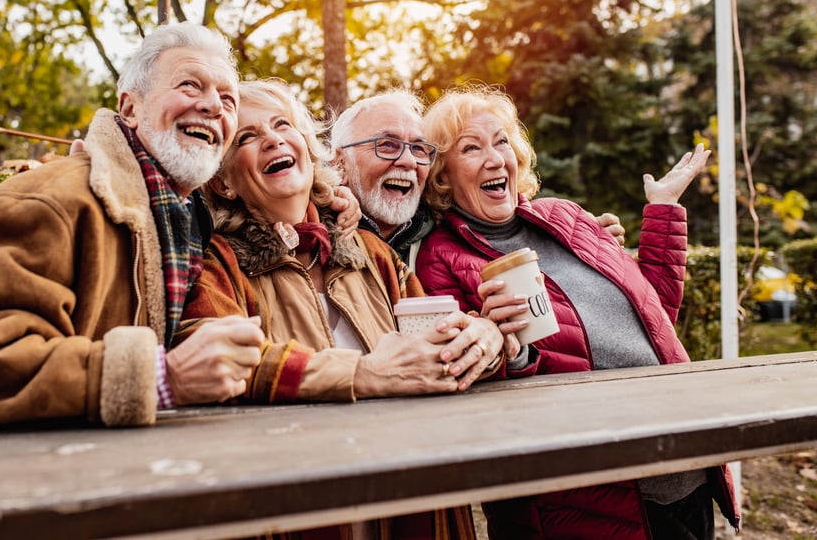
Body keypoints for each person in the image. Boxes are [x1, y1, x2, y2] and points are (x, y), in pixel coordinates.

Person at [178, 79, 504, 539]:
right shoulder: (217, 263)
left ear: (309, 153)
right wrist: (361, 373)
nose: (272, 139)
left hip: (416, 510)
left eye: (282, 125)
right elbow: (220, 362)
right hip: (298, 519)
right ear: (224, 182)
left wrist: (483, 338)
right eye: (247, 137)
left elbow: (436, 336)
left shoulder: (371, 251)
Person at [413, 84, 739, 539]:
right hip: (591, 500)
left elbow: (656, 312)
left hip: (683, 471)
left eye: (501, 141)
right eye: (471, 147)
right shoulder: (441, 257)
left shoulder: (565, 216)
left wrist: (663, 209)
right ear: (443, 175)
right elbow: (463, 386)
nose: (494, 158)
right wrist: (514, 353)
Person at [0, 22, 268, 428]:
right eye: (189, 85)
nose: (214, 106)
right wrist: (164, 378)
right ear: (130, 109)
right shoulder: (47, 201)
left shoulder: (183, 222)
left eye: (227, 99)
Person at [329, 89, 626, 368]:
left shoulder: (429, 230)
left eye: (419, 149)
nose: (407, 160)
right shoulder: (316, 231)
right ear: (339, 162)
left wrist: (593, 246)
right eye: (387, 145)